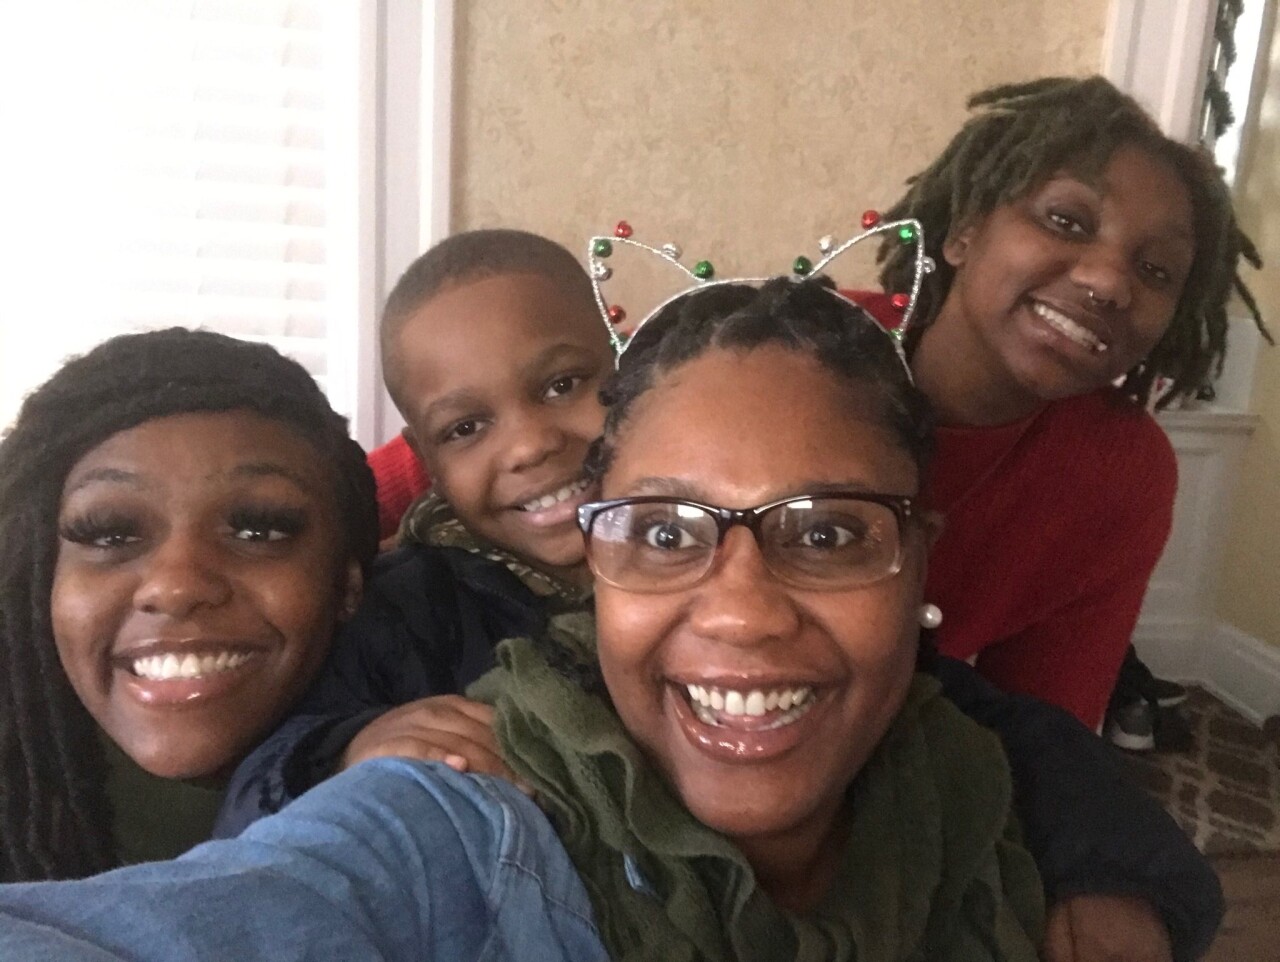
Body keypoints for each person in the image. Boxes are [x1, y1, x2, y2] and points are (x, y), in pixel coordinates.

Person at [219, 233, 1221, 960]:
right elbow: (268, 852)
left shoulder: (922, 749)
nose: (528, 442)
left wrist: (1113, 869)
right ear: (426, 465)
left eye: (564, 384)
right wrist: (342, 750)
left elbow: (1003, 731)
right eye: (466, 427)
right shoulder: (418, 604)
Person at [0, 278, 1053, 961]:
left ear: (917, 554)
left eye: (825, 533)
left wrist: (1133, 872)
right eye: (664, 531)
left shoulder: (962, 787)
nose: (738, 608)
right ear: (600, 556)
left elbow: (1000, 720)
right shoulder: (475, 800)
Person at [873, 76, 1269, 740]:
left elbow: (1041, 734)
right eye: (1066, 221)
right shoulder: (799, 358)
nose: (1110, 280)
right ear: (965, 230)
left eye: (1156, 271)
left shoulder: (1118, 473)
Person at [0, 328, 379, 882]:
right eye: (109, 534)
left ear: (347, 584)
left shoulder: (438, 769)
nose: (177, 587)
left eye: (257, 530)